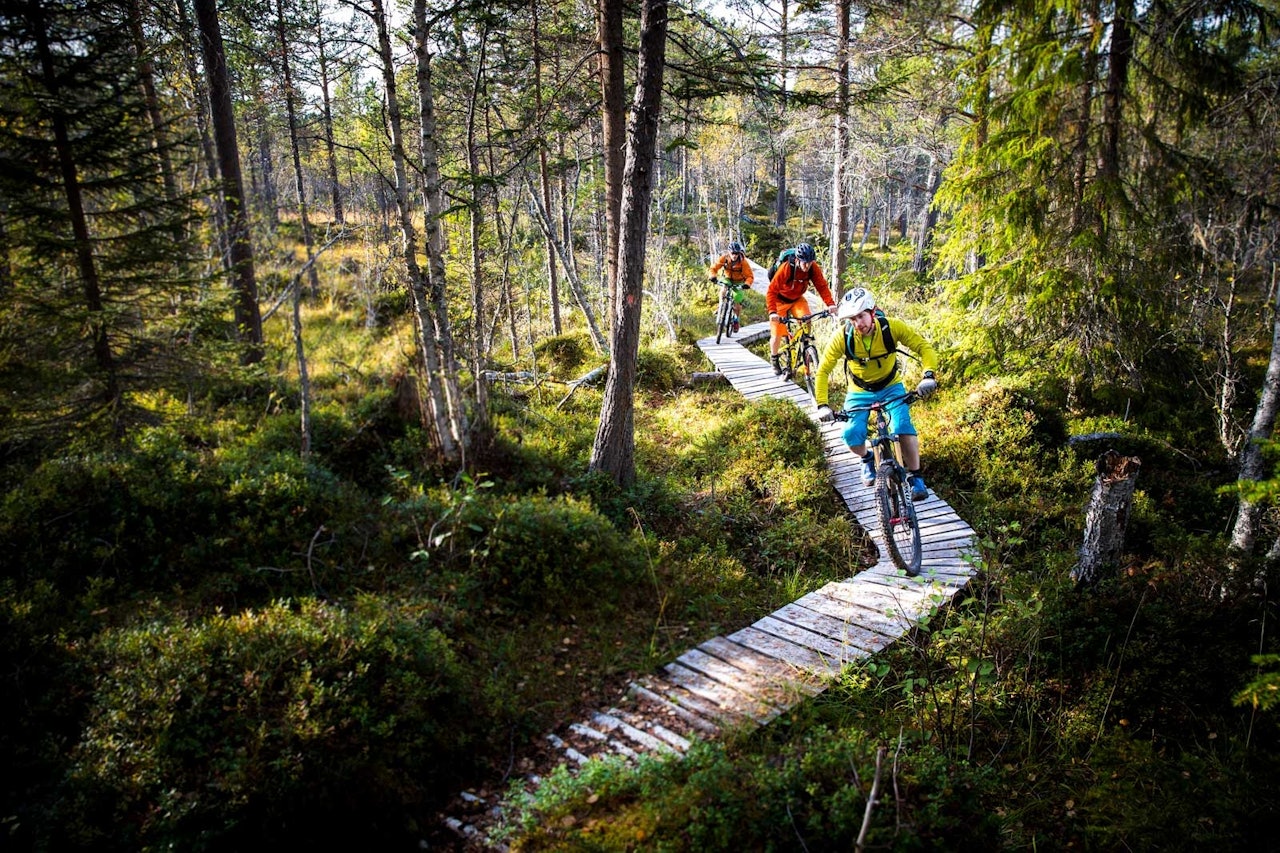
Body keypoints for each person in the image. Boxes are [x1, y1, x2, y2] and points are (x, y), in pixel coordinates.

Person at [814, 287, 939, 501]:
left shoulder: (891, 327)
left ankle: (916, 476)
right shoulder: (844, 336)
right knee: (851, 434)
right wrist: (822, 405)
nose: (858, 323)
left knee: (901, 427)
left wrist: (928, 375)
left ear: (872, 313)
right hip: (859, 391)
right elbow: (823, 370)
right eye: (853, 319)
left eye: (861, 316)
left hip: (891, 387)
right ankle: (866, 458)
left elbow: (923, 347)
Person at [766, 242, 836, 375]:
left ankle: (805, 351)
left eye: (810, 262)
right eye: (805, 263)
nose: (807, 266)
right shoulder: (787, 268)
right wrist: (772, 311)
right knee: (777, 334)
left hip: (797, 299)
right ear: (797, 260)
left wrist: (830, 304)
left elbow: (822, 286)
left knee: (807, 319)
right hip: (780, 301)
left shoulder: (812, 268)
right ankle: (774, 359)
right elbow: (771, 291)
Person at [707, 241, 753, 332]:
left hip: (739, 282)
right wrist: (712, 276)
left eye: (736, 253)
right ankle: (721, 306)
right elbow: (714, 268)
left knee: (737, 301)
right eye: (732, 253)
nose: (734, 255)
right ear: (729, 252)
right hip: (727, 278)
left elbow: (749, 276)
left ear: (739, 253)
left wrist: (747, 284)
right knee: (723, 289)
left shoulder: (743, 262)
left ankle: (736, 319)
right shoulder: (724, 258)